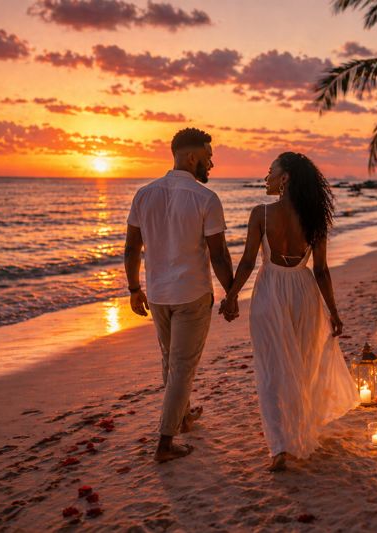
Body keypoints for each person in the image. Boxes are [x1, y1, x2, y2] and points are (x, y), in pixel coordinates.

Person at [220, 152, 358, 472]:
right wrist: (333, 312)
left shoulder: (261, 214)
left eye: (271, 171)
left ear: (285, 179)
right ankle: (299, 433)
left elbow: (248, 262)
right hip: (304, 292)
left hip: (270, 292)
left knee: (272, 370)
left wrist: (231, 296)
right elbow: (321, 270)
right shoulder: (315, 219)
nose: (265, 177)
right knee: (303, 365)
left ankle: (281, 447)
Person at [124, 127, 237, 463]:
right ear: (191, 157)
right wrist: (231, 293)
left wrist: (134, 289)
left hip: (158, 294)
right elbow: (219, 255)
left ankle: (184, 417)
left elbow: (131, 248)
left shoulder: (144, 194)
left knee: (171, 361)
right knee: (182, 367)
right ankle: (165, 442)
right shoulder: (206, 199)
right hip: (191, 294)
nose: (211, 163)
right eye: (208, 157)